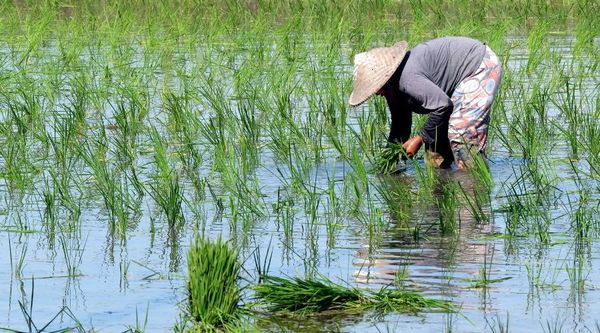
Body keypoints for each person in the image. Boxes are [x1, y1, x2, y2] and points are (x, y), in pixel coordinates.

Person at [348, 36, 502, 169]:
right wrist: (389, 160)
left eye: (375, 87)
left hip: (478, 65)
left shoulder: (407, 78)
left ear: (385, 78)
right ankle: (441, 188)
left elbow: (443, 105)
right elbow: (400, 126)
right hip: (456, 84)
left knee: (461, 134)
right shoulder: (392, 88)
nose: (376, 93)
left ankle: (473, 185)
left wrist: (419, 139)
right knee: (434, 146)